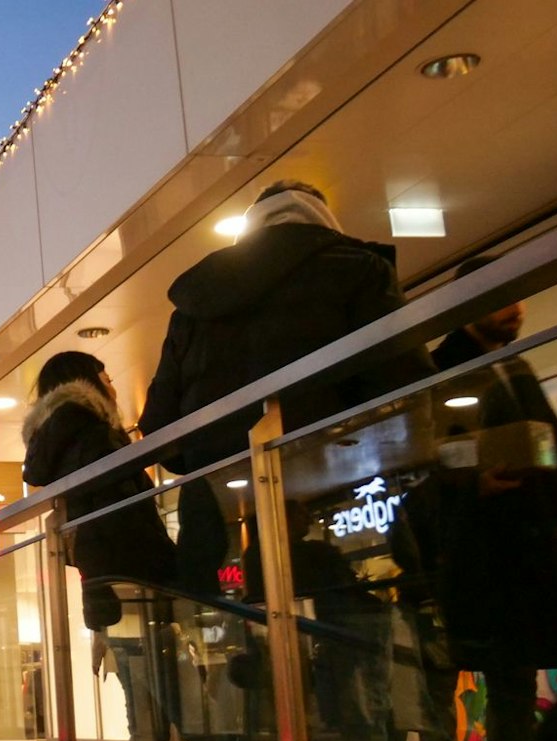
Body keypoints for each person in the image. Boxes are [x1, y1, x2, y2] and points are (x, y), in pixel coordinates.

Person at [139, 180, 432, 596]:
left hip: (216, 510)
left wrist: (211, 453)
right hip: (332, 492)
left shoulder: (192, 309)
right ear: (322, 218)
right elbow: (404, 385)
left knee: (235, 629)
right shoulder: (359, 269)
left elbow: (159, 429)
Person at [414, 256, 557, 741]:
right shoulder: (447, 368)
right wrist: (473, 482)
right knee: (510, 677)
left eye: (519, 296)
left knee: (513, 675)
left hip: (539, 542)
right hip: (494, 553)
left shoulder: (514, 365)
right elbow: (429, 456)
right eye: (505, 297)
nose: (518, 307)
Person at [21, 352, 181, 741]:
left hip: (109, 587)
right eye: (106, 378)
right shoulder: (92, 434)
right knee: (175, 696)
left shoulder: (64, 441)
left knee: (144, 702)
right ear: (86, 383)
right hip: (136, 583)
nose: (112, 385)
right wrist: (168, 568)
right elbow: (125, 516)